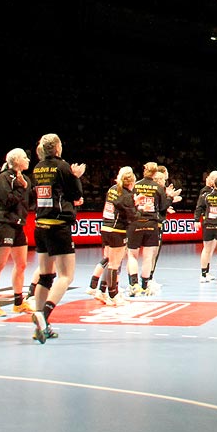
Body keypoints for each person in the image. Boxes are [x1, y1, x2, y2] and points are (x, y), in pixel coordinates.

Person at [28, 133, 86, 344]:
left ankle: (40, 327)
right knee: (66, 276)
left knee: (45, 276)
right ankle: (43, 315)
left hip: (40, 225)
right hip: (58, 226)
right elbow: (75, 194)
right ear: (57, 147)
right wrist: (76, 176)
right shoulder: (62, 167)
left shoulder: (38, 167)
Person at [0, 148, 32, 317]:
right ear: (16, 161)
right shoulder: (3, 177)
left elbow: (29, 201)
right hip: (4, 224)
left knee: (22, 264)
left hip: (19, 225)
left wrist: (25, 186)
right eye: (25, 158)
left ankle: (18, 302)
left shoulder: (25, 179)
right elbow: (8, 200)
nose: (28, 160)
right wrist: (21, 187)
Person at [127, 162, 175, 295]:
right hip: (152, 223)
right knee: (148, 257)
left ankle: (133, 285)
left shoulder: (136, 185)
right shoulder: (158, 187)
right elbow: (163, 206)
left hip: (135, 222)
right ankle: (145, 286)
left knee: (132, 255)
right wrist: (170, 196)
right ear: (155, 173)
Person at [93, 167, 135, 303]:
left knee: (109, 261)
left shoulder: (112, 189)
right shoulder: (126, 194)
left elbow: (119, 206)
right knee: (114, 264)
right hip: (117, 230)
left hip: (105, 227)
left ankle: (101, 290)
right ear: (131, 182)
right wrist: (140, 208)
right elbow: (131, 215)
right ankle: (113, 294)